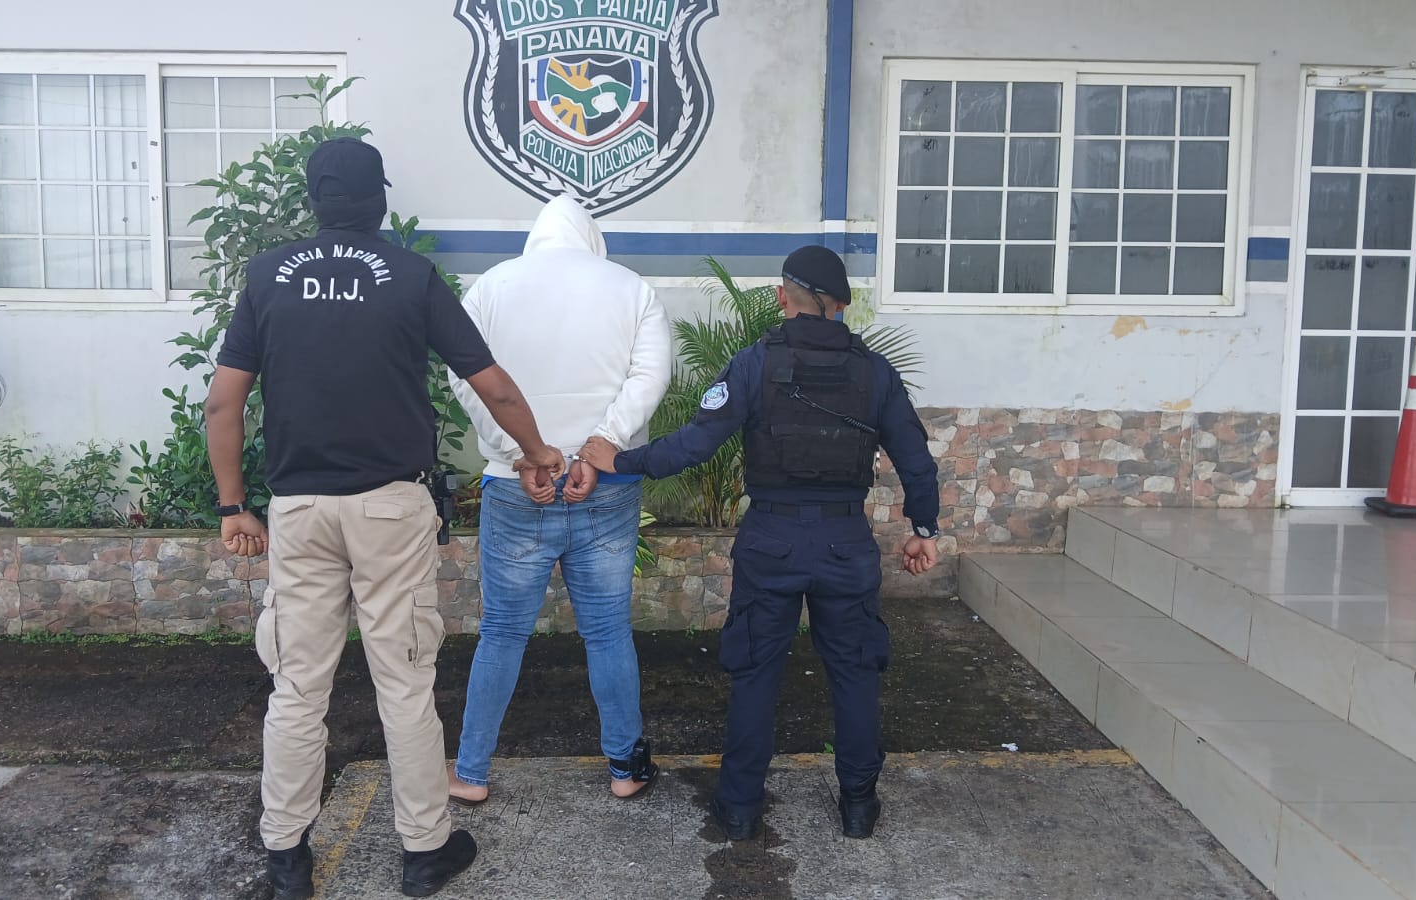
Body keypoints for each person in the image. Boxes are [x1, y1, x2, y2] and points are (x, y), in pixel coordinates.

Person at [204, 137, 564, 900]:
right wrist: (535, 452)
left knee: (298, 686)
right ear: (379, 201)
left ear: (314, 201)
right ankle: (424, 851)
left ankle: (286, 857)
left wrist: (234, 505)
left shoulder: (267, 277)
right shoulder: (409, 276)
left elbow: (222, 403)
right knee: (402, 681)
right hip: (391, 509)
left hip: (300, 510)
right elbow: (493, 386)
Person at [580, 245, 941, 841]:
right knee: (855, 674)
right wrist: (924, 530)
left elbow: (694, 443)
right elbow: (916, 461)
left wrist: (620, 460)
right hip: (844, 542)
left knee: (755, 674)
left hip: (771, 540)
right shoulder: (876, 372)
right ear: (842, 305)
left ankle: (740, 808)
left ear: (780, 297)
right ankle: (858, 807)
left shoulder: (754, 363)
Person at [446, 195, 672, 804]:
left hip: (515, 483)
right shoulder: (632, 289)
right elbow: (651, 375)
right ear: (591, 239)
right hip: (608, 485)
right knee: (607, 632)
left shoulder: (490, 288)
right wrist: (603, 443)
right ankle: (625, 769)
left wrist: (519, 451)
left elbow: (464, 377)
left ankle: (471, 773)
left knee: (501, 633)